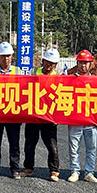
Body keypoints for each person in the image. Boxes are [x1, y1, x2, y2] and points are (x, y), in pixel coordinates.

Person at [23, 47, 61, 182]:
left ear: (55, 65)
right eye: (47, 62)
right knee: (30, 144)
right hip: (33, 115)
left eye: (52, 63)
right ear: (43, 61)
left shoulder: (58, 78)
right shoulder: (33, 73)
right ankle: (28, 168)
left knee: (52, 146)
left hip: (49, 117)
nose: (49, 65)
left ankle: (54, 170)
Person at [0, 41, 22, 179]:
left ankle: (15, 169)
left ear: (12, 57)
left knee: (14, 143)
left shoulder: (18, 72)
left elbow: (23, 92)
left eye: (8, 56)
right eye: (3, 56)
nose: (6, 58)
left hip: (12, 112)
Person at [66, 50, 97, 183]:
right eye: (81, 63)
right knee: (74, 148)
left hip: (90, 121)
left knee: (91, 148)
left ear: (90, 64)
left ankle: (89, 172)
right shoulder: (70, 80)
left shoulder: (96, 80)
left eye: (86, 63)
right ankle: (75, 171)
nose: (83, 66)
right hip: (75, 120)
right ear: (77, 63)